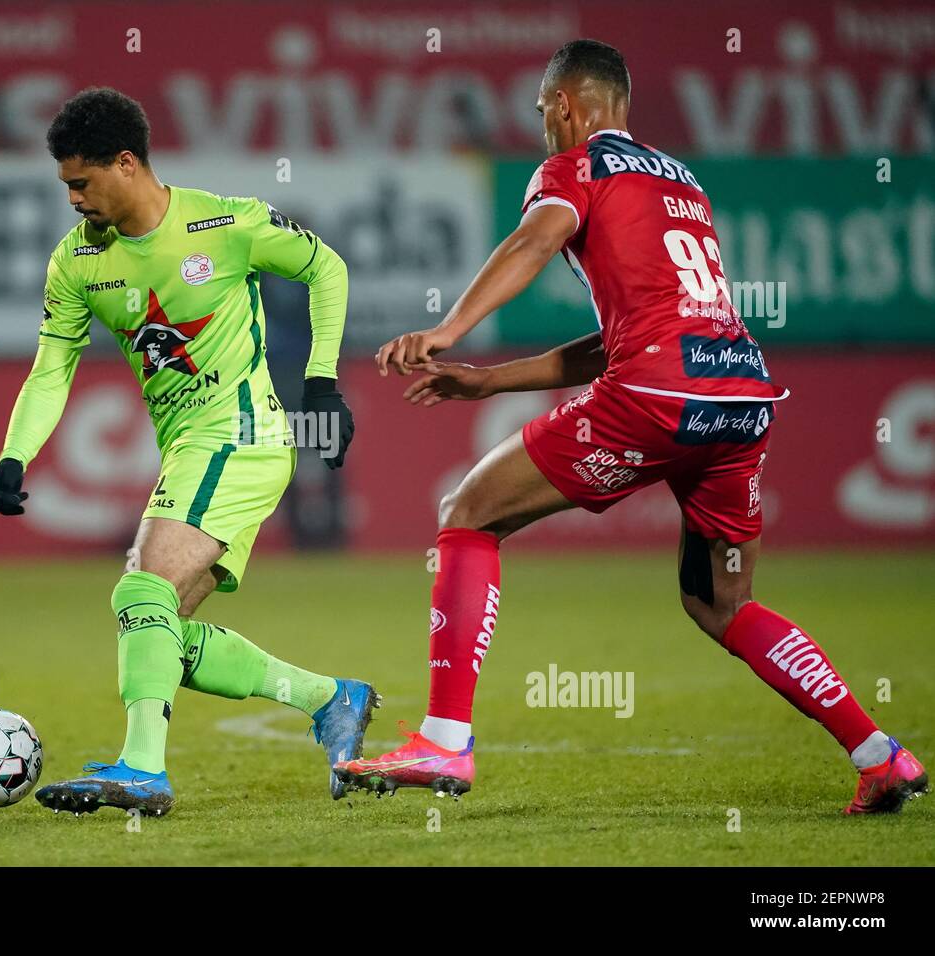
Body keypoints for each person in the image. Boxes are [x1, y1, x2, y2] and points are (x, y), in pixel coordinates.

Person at [336, 40, 926, 815]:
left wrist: (450, 328)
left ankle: (444, 739)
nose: (545, 128)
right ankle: (880, 755)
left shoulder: (574, 169)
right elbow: (626, 336)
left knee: (468, 514)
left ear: (564, 107)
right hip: (740, 399)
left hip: (656, 393)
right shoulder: (684, 183)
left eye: (545, 114)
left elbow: (534, 241)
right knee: (722, 603)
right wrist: (490, 380)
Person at [0, 87, 374, 817]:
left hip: (242, 434)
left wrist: (321, 382)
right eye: (65, 184)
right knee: (161, 628)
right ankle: (331, 699)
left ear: (126, 163)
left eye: (81, 182)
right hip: (193, 450)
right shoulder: (76, 264)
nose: (71, 199)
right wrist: (14, 455)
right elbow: (50, 368)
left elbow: (328, 268)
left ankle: (141, 769)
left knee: (139, 592)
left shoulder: (225, 224)